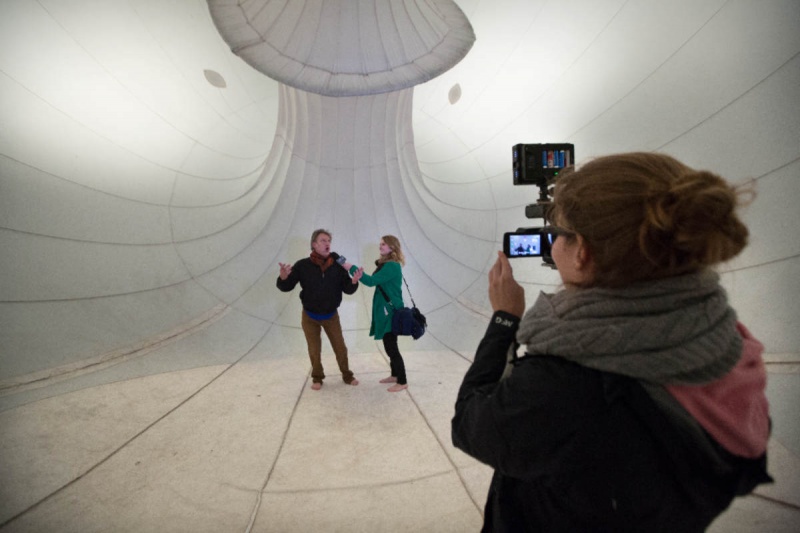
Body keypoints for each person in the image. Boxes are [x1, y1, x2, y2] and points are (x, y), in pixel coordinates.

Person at [451, 152, 772, 532]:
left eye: (558, 235)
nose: (550, 244)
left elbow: (472, 425)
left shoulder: (563, 389)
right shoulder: (730, 343)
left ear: (583, 252)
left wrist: (505, 319)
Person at [277, 229, 362, 390]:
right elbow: (286, 287)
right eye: (323, 240)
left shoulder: (338, 265)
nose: (327, 243)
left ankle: (347, 375)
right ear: (314, 244)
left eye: (329, 240)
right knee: (314, 349)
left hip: (331, 316)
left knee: (340, 347)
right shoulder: (302, 265)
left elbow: (348, 289)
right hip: (309, 317)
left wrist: (354, 281)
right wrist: (283, 277)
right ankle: (317, 377)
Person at [343, 236, 409, 392]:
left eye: (384, 244)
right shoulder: (386, 264)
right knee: (389, 344)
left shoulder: (392, 266)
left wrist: (350, 267)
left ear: (392, 247)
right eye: (380, 244)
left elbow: (371, 281)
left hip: (391, 312)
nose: (380, 246)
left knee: (391, 347)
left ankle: (403, 381)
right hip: (387, 310)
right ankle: (395, 375)